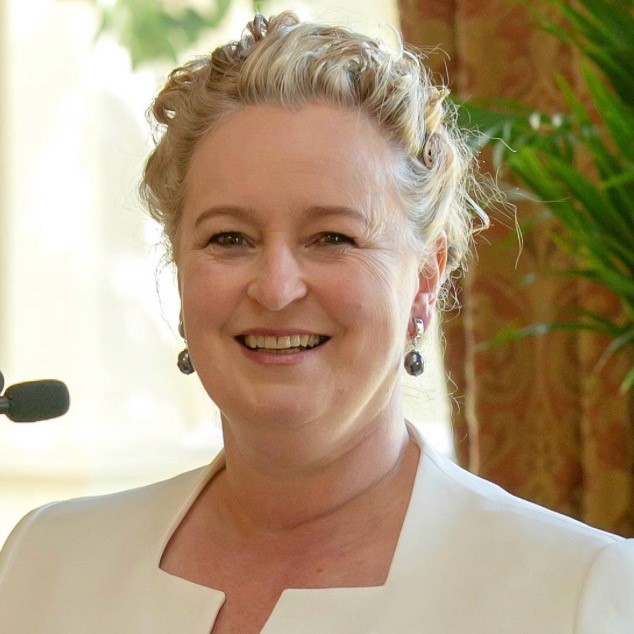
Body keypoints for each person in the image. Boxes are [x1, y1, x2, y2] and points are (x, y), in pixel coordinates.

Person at [0, 11, 633, 633]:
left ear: (426, 278)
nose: (276, 289)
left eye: (332, 236)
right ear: (180, 268)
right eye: (229, 238)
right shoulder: (43, 562)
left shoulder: (581, 594)